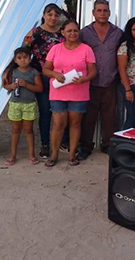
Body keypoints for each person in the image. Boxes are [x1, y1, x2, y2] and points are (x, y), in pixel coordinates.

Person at [42, 20, 97, 167]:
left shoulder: (86, 49)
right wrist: (55, 74)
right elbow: (45, 69)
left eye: (75, 31)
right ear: (63, 32)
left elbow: (93, 71)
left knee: (75, 123)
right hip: (58, 91)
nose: (73, 33)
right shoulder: (55, 49)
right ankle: (54, 155)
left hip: (79, 92)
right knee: (58, 124)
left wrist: (84, 79)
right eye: (69, 31)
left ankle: (72, 154)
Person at [78, 0, 123, 159]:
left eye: (105, 10)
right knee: (88, 117)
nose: (102, 13)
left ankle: (107, 145)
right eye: (99, 10)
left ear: (109, 13)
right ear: (93, 12)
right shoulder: (84, 33)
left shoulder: (118, 33)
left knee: (109, 116)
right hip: (89, 82)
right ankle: (85, 147)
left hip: (110, 81)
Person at [23, 3, 65, 158]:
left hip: (60, 78)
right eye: (50, 14)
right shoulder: (34, 33)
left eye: (56, 15)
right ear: (44, 15)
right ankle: (45, 144)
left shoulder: (63, 35)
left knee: (61, 111)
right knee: (45, 111)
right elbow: (23, 53)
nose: (53, 18)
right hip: (41, 78)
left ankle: (62, 141)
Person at [1, 47, 44, 166]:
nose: (23, 60)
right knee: (15, 130)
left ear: (30, 59)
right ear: (15, 60)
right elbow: (5, 85)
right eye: (19, 58)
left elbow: (40, 88)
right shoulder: (12, 72)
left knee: (29, 130)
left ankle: (32, 155)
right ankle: (12, 155)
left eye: (25, 57)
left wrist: (26, 85)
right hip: (15, 104)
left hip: (29, 105)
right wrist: (11, 86)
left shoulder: (34, 72)